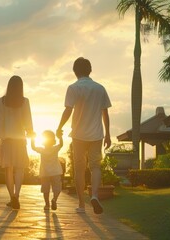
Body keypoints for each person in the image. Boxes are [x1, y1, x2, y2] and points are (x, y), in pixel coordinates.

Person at [56, 57, 112, 214]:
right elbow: (105, 113)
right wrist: (108, 134)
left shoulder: (73, 88)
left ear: (75, 72)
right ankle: (94, 195)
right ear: (90, 70)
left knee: (79, 169)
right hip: (96, 134)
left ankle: (81, 204)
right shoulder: (100, 88)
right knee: (95, 166)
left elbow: (68, 110)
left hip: (79, 134)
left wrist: (59, 127)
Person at [0, 75, 34, 210]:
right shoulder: (24, 101)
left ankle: (12, 197)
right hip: (20, 140)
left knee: (8, 169)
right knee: (19, 169)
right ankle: (17, 195)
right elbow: (28, 121)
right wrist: (31, 134)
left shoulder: (1, 101)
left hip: (7, 140)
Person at [31, 130, 63, 211]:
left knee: (45, 189)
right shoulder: (55, 148)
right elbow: (61, 144)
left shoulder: (42, 150)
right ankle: (54, 199)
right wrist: (60, 137)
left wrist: (32, 138)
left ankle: (47, 204)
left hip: (45, 172)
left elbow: (33, 147)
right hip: (55, 171)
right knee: (57, 188)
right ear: (53, 141)